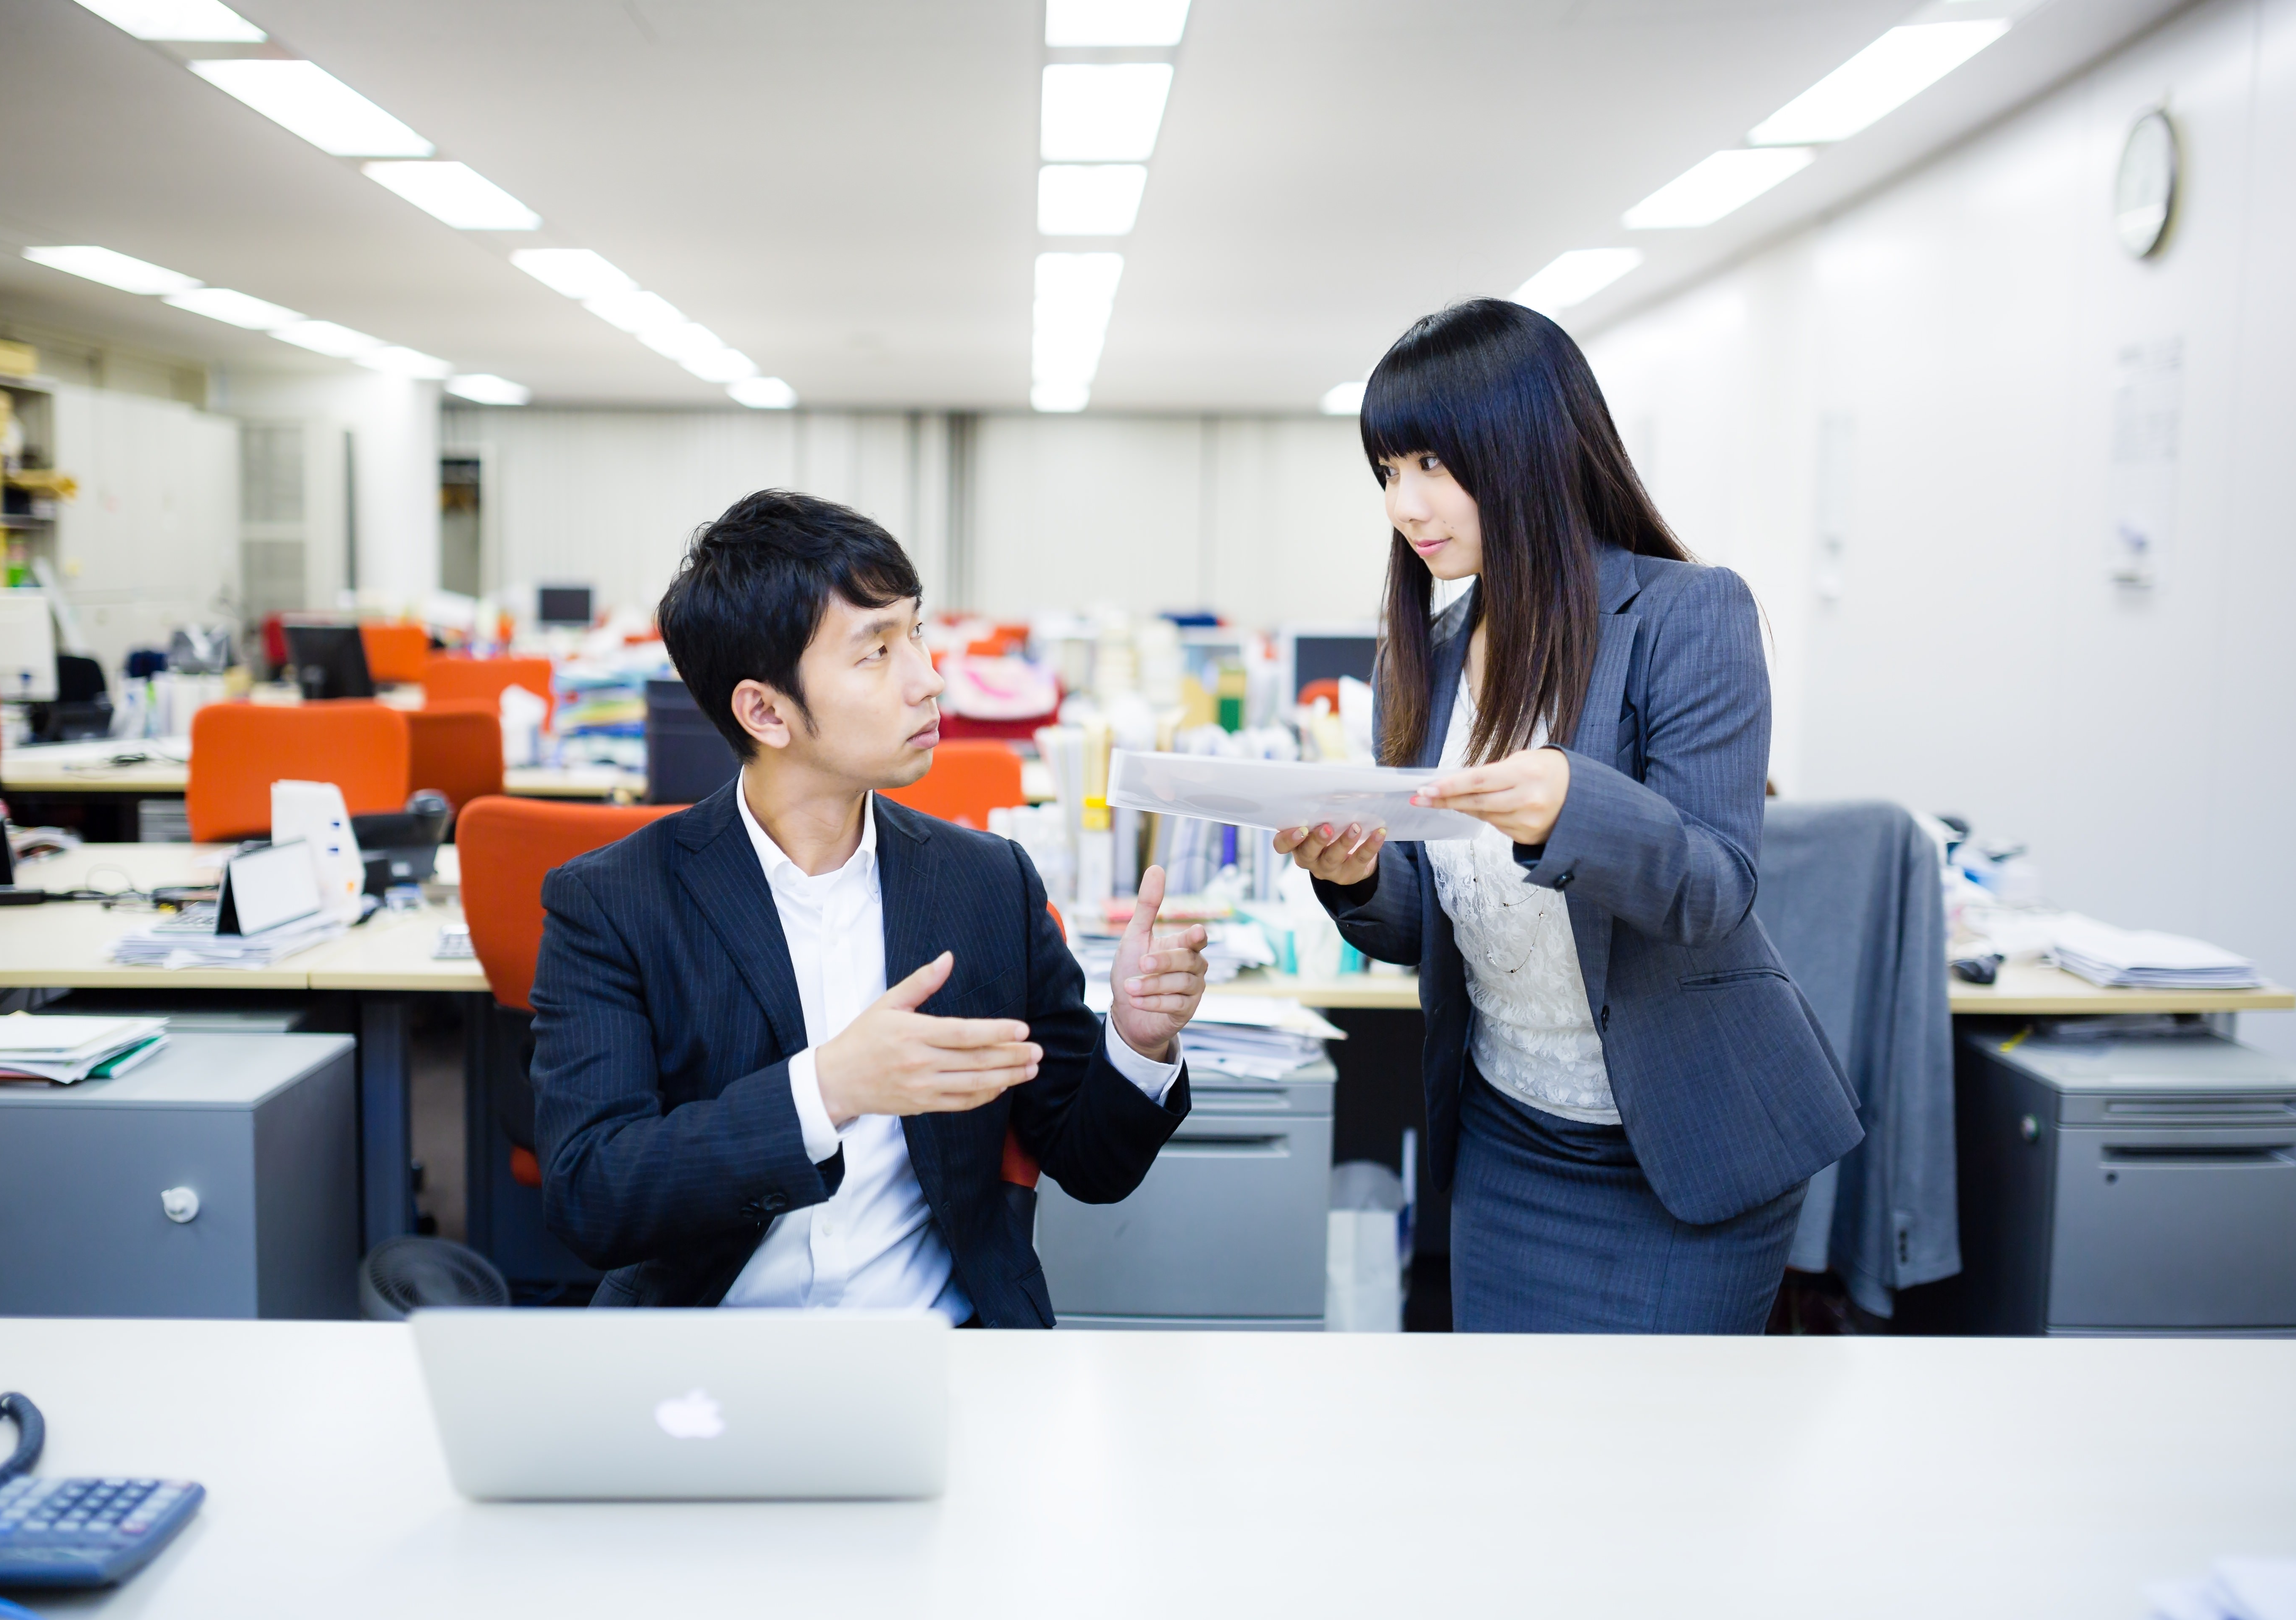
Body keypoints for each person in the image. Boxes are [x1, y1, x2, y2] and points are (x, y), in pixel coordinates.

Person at [1277, 299, 1862, 1334]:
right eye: (1387, 472)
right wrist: (1356, 874)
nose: (1405, 505)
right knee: (1510, 1429)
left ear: (1528, 450)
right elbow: (1433, 926)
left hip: (1686, 1144)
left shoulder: (1687, 613)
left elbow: (1715, 888)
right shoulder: (1424, 660)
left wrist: (1572, 808)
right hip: (1508, 1137)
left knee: (1654, 1435)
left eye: (1431, 465)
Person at [530, 489, 1210, 1323]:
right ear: (765, 711)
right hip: (714, 1348)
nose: (930, 680)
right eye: (876, 652)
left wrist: (1138, 1041)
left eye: (915, 632)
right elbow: (592, 1194)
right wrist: (826, 1089)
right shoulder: (615, 902)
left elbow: (1092, 1164)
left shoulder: (987, 882)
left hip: (936, 1343)